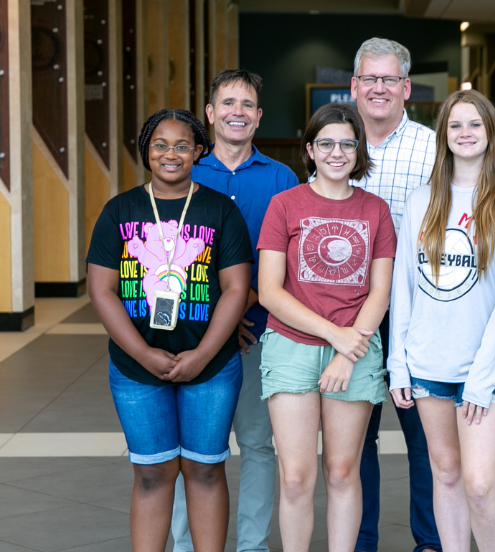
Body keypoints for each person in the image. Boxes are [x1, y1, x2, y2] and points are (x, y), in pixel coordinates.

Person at [87, 109, 253, 552]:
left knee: (204, 469)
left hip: (212, 366)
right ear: (146, 151)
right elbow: (101, 291)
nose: (171, 154)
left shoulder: (220, 211)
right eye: (160, 144)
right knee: (152, 472)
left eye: (182, 145)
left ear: (199, 150)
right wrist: (143, 353)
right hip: (136, 369)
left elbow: (236, 289)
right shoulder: (119, 210)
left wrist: (201, 356)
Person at [387, 89, 495, 552]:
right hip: (428, 361)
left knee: (478, 483)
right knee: (445, 475)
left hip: (483, 371)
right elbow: (403, 288)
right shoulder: (422, 200)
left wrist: (483, 377)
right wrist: (398, 363)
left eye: (475, 124)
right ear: (443, 135)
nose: (465, 133)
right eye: (455, 125)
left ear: (491, 133)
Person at [257, 103, 396, 552]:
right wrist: (334, 335)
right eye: (326, 143)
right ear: (310, 150)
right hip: (292, 346)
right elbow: (269, 292)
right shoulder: (284, 205)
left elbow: (380, 293)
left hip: (355, 351)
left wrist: (346, 349)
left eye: (347, 143)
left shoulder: (376, 210)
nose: (337, 152)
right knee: (296, 477)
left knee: (341, 470)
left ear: (359, 151)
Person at [171, 70, 298, 552]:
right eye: (227, 103)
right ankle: (187, 545)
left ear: (259, 116)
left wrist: (240, 313)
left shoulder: (281, 178)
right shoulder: (186, 172)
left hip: (260, 334)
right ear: (209, 113)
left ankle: (251, 545)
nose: (237, 112)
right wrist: (214, 327)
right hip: (195, 340)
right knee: (195, 451)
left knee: (260, 446)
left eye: (247, 104)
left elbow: (287, 262)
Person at [350, 37, 441, 552]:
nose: (379, 88)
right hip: (351, 318)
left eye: (389, 79)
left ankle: (430, 541)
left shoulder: (434, 148)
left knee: (424, 439)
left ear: (406, 87)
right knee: (355, 438)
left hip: (418, 315)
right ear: (354, 86)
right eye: (370, 79)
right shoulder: (334, 145)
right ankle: (360, 542)